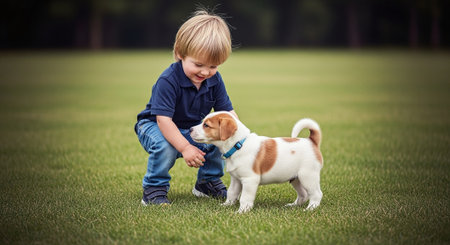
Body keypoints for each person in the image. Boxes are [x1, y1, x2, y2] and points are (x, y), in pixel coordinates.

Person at [135, 9, 238, 205]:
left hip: (190, 127)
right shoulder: (168, 80)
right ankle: (154, 189)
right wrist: (185, 147)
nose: (206, 72)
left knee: (219, 137)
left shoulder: (214, 80)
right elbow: (163, 120)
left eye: (213, 66)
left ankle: (207, 182)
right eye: (199, 64)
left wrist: (241, 136)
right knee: (165, 146)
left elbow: (227, 113)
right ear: (180, 54)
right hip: (154, 126)